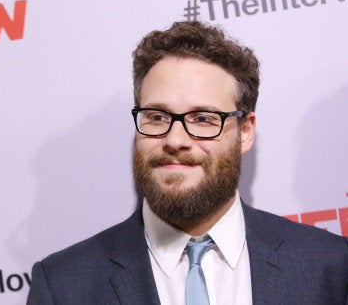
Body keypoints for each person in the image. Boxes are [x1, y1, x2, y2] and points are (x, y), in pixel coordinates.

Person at [26, 21, 348, 304]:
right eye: (156, 116)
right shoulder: (64, 287)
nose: (175, 140)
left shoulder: (330, 267)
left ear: (245, 132)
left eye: (203, 118)